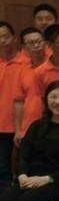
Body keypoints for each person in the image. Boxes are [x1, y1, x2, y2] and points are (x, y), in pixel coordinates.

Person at [0, 21, 29, 190]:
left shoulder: (27, 62)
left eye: (6, 36)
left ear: (14, 38)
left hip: (22, 124)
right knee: (2, 167)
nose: (3, 41)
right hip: (1, 124)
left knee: (21, 166)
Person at [14, 28, 47, 143]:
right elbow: (19, 102)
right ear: (24, 47)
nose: (37, 46)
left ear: (45, 43)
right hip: (29, 126)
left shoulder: (54, 66)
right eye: (32, 43)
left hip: (52, 125)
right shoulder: (22, 70)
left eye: (39, 41)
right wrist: (18, 130)